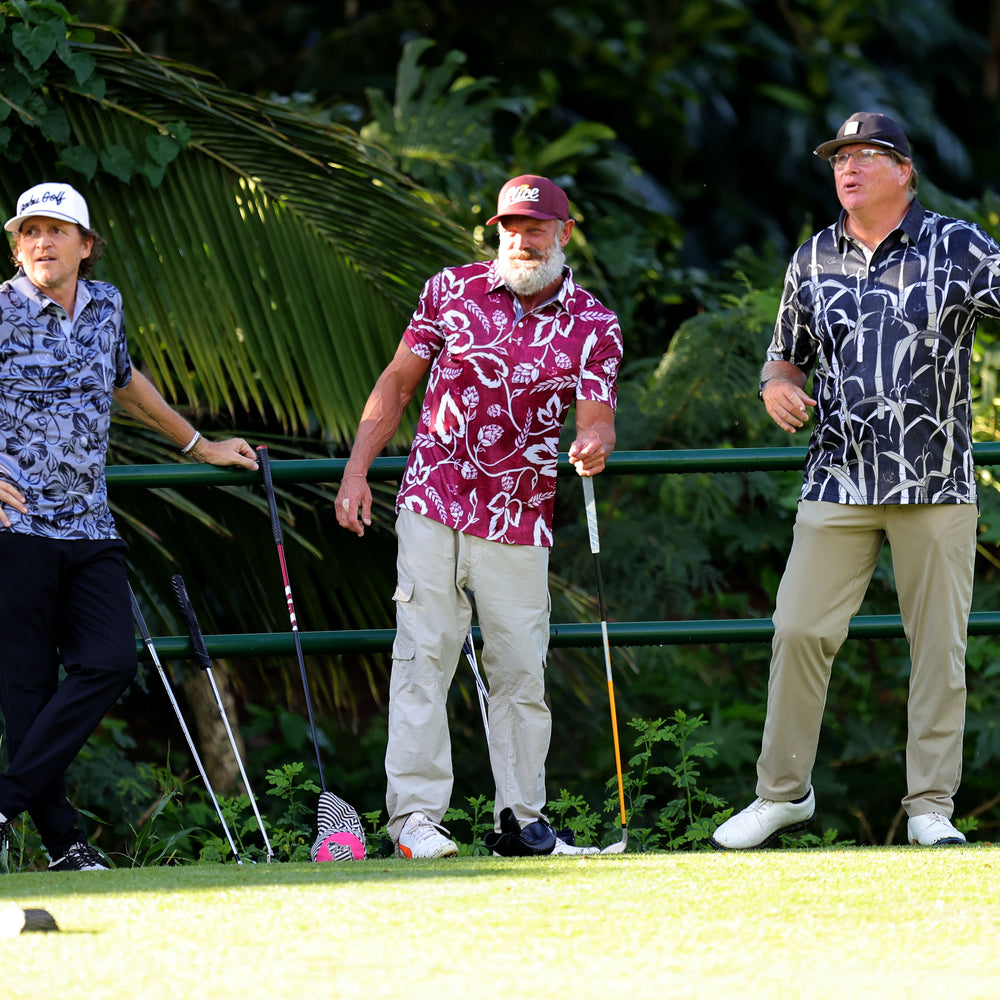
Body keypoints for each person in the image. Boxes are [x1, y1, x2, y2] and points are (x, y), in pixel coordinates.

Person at [711, 112, 1000, 851]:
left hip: (936, 481)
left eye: (870, 155)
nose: (850, 167)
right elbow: (784, 358)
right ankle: (783, 794)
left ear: (905, 171)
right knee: (800, 628)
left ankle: (931, 806)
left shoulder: (958, 244)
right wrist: (775, 387)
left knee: (938, 648)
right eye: (841, 156)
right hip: (837, 478)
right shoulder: (813, 257)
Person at [335, 174, 622, 858]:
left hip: (520, 517)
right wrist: (355, 471)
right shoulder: (451, 289)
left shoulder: (594, 323)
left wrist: (594, 444)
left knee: (522, 670)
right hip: (432, 500)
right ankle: (415, 824)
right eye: (510, 228)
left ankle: (522, 823)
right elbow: (397, 382)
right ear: (497, 231)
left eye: (536, 227)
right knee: (421, 658)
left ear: (564, 233)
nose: (522, 240)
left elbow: (598, 416)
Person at [0, 181, 258, 871]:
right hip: (13, 530)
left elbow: (126, 380)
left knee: (110, 662)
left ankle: (5, 800)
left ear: (86, 246)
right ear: (18, 245)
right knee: (25, 691)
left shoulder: (106, 306)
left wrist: (198, 445)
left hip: (88, 525)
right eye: (30, 231)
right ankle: (66, 847)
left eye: (57, 231)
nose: (42, 242)